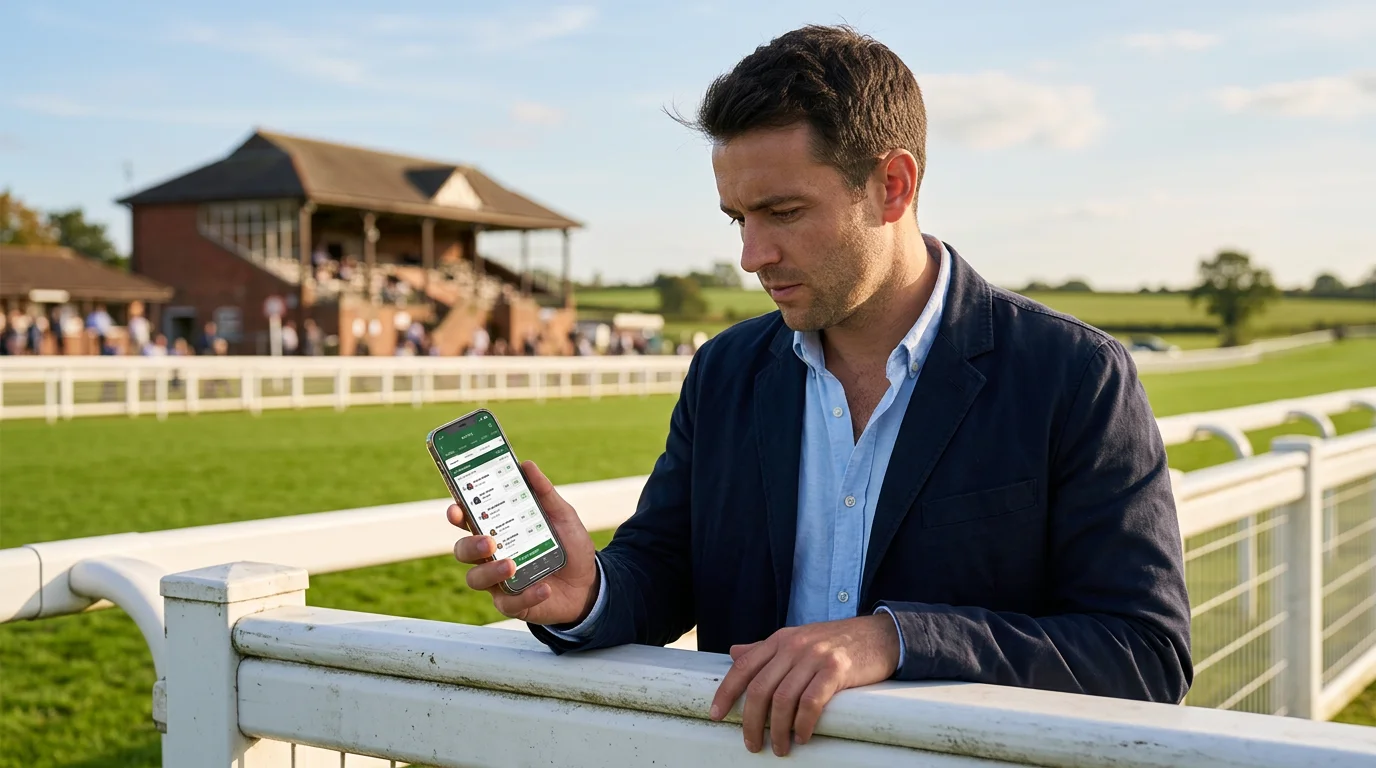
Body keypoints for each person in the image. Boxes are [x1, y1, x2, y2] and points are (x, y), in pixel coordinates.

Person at [450, 25, 1191, 758]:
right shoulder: (725, 370)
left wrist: (892, 639)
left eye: (784, 212)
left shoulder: (1073, 373)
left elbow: (1144, 654)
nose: (751, 255)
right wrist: (587, 593)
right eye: (739, 218)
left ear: (893, 186)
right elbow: (667, 570)